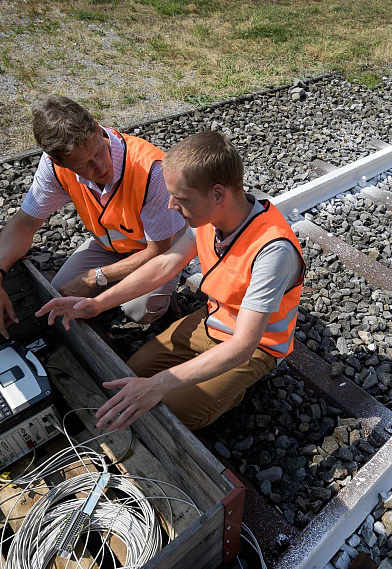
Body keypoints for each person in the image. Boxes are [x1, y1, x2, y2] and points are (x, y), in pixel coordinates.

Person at [35, 130, 305, 431]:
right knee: (129, 377)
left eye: (181, 199)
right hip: (214, 320)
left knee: (171, 414)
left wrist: (159, 385)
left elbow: (243, 345)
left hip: (257, 346)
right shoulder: (211, 218)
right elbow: (165, 264)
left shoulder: (272, 251)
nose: (171, 207)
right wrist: (97, 303)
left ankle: (233, 393)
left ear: (218, 194)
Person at [0, 95, 186, 338]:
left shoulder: (151, 169)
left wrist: (94, 278)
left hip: (163, 249)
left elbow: (158, 251)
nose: (100, 167)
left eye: (99, 151)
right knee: (59, 298)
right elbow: (24, 223)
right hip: (111, 247)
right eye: (85, 164)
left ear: (98, 128)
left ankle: (166, 306)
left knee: (140, 311)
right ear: (58, 161)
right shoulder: (54, 166)